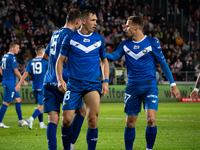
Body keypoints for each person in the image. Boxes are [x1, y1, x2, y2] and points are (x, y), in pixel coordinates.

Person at [106, 16, 180, 150]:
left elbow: (163, 64)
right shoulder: (125, 44)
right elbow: (113, 57)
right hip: (132, 87)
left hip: (149, 86)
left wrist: (173, 84)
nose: (125, 28)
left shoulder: (152, 42)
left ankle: (149, 149)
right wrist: (98, 51)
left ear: (136, 27)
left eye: (128, 26)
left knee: (151, 120)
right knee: (130, 122)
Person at [56, 10, 109, 150]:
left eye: (96, 20)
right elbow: (60, 60)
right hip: (74, 84)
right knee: (66, 120)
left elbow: (104, 61)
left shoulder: (99, 39)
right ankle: (68, 148)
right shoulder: (70, 37)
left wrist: (106, 81)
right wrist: (60, 80)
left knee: (92, 120)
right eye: (93, 20)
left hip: (93, 83)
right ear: (83, 21)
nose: (95, 23)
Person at [42, 8, 86, 150]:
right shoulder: (71, 35)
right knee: (82, 111)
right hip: (64, 81)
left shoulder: (55, 34)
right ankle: (70, 145)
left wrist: (55, 63)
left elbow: (45, 55)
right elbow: (67, 58)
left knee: (53, 119)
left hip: (48, 81)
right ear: (78, 21)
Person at [15, 45, 48, 129]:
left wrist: (19, 84)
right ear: (41, 53)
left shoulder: (30, 62)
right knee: (42, 107)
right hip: (42, 86)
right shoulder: (45, 62)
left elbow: (25, 74)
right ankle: (31, 118)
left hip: (34, 87)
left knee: (39, 106)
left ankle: (41, 124)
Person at [0, 42, 28, 128]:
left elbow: (0, 67)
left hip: (7, 81)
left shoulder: (4, 56)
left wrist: (4, 75)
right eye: (17, 48)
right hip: (9, 83)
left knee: (18, 99)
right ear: (12, 48)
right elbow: (16, 71)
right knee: (6, 102)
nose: (18, 49)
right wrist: (22, 80)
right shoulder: (12, 57)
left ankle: (20, 121)